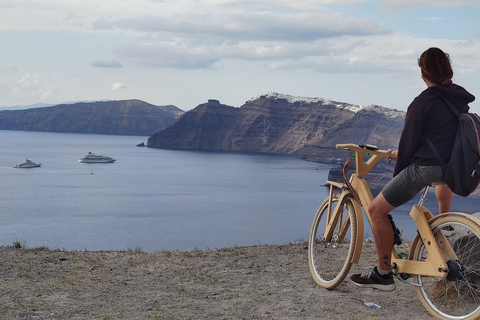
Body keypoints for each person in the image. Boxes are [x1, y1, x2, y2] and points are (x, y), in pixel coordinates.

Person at [350, 47, 475, 291]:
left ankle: (383, 274)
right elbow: (443, 138)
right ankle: (443, 221)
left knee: (376, 210)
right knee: (431, 183)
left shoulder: (423, 102)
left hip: (426, 168)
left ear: (423, 72)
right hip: (452, 169)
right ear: (448, 71)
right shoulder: (459, 99)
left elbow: (408, 144)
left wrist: (397, 176)